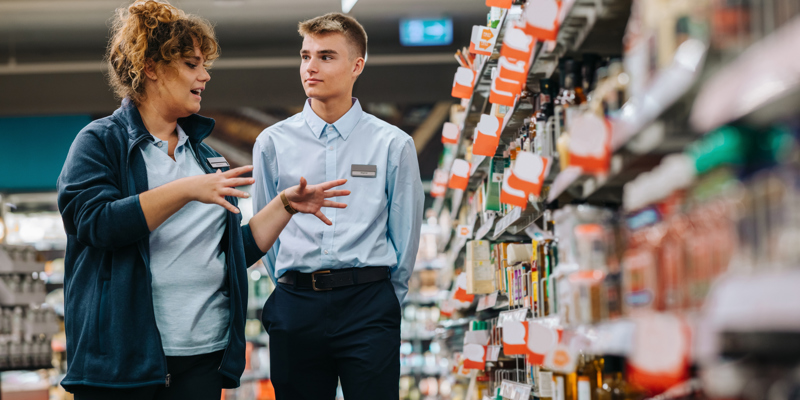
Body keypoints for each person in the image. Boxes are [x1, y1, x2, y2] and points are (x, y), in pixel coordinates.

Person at [56, 1, 349, 399]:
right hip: (123, 362)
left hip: (203, 358)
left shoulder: (206, 156)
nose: (205, 75)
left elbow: (230, 251)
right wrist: (186, 190)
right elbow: (95, 224)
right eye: (192, 64)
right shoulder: (101, 142)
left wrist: (285, 205)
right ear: (152, 68)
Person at [252, 12, 424, 400]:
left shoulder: (392, 144)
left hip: (368, 305)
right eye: (305, 55)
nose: (310, 67)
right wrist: (291, 282)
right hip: (296, 304)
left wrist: (383, 301)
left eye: (326, 56)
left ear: (356, 65)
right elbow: (265, 231)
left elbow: (405, 234)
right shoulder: (272, 143)